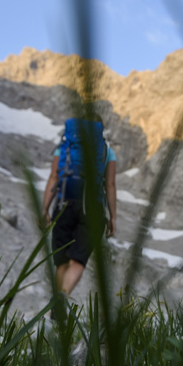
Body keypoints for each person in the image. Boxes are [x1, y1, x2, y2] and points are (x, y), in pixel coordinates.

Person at [41, 121, 117, 295]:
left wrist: (44, 209)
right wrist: (112, 217)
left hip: (64, 203)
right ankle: (62, 297)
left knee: (61, 260)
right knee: (77, 261)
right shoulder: (106, 151)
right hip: (92, 208)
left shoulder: (66, 146)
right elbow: (110, 185)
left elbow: (54, 177)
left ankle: (55, 308)